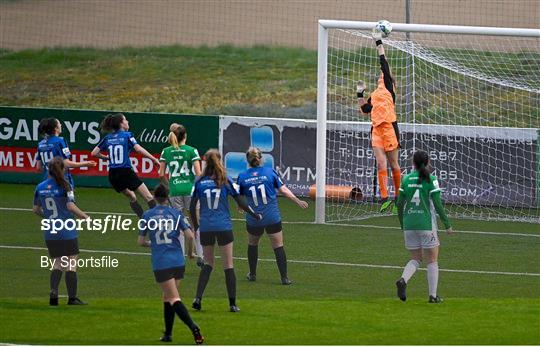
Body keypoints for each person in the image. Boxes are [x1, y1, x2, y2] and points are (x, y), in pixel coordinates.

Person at [189, 149, 262, 313]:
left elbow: (192, 208)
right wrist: (254, 214)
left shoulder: (199, 182)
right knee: (228, 265)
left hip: (206, 227)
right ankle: (232, 304)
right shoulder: (225, 180)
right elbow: (241, 201)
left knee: (208, 264)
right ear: (219, 162)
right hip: (223, 227)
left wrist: (197, 227)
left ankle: (198, 299)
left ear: (206, 163)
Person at [137, 184, 204, 344]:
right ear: (167, 197)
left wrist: (152, 244)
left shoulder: (147, 215)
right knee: (167, 297)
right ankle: (168, 334)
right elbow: (189, 235)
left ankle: (193, 327)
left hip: (162, 262)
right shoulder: (176, 214)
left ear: (154, 197)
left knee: (173, 298)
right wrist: (189, 253)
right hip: (178, 261)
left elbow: (140, 242)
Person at [237, 147, 308, 285]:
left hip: (254, 218)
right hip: (272, 217)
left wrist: (240, 206)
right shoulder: (270, 172)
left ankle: (252, 274)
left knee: (252, 244)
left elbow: (239, 196)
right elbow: (283, 189)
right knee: (278, 246)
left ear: (248, 160)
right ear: (261, 158)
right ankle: (284, 278)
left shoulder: (242, 176)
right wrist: (298, 201)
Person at [395, 150, 453, 303]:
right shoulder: (431, 179)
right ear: (427, 163)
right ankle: (433, 296)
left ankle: (403, 280)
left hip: (409, 224)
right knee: (432, 259)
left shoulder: (406, 179)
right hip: (425, 224)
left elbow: (399, 204)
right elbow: (438, 205)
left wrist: (402, 223)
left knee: (415, 258)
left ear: (413, 163)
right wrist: (447, 224)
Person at [32, 157, 89, 306]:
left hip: (50, 230)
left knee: (57, 262)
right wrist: (84, 216)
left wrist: (50, 217)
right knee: (71, 261)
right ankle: (72, 298)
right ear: (62, 169)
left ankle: (53, 294)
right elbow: (70, 206)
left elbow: (36, 210)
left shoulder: (40, 187)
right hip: (66, 229)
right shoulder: (66, 186)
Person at [357, 27, 401, 213]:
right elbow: (365, 109)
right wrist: (360, 93)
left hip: (390, 128)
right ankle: (384, 198)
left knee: (393, 164)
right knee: (381, 164)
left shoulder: (389, 89)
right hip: (376, 130)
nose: (380, 74)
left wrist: (378, 42)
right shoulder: (375, 94)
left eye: (383, 73)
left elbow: (383, 62)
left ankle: (399, 197)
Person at [91, 113, 160, 218]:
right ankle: (157, 221)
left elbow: (94, 153)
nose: (128, 122)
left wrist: (107, 158)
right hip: (125, 172)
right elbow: (138, 149)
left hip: (113, 175)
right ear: (121, 124)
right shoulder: (127, 135)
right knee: (149, 197)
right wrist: (153, 159)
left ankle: (142, 219)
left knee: (132, 197)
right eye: (126, 120)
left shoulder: (108, 138)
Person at [158, 123, 204, 266]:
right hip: (190, 191)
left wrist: (169, 186)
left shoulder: (166, 151)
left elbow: (161, 174)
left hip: (174, 191)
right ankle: (201, 256)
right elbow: (198, 173)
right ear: (185, 136)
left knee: (178, 225)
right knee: (196, 223)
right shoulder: (192, 151)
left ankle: (181, 258)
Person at [36, 118, 96, 188]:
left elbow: (39, 167)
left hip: (47, 180)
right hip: (61, 180)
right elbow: (66, 164)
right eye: (59, 124)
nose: (61, 125)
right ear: (56, 128)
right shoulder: (60, 141)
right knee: (66, 198)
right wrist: (85, 164)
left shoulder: (41, 144)